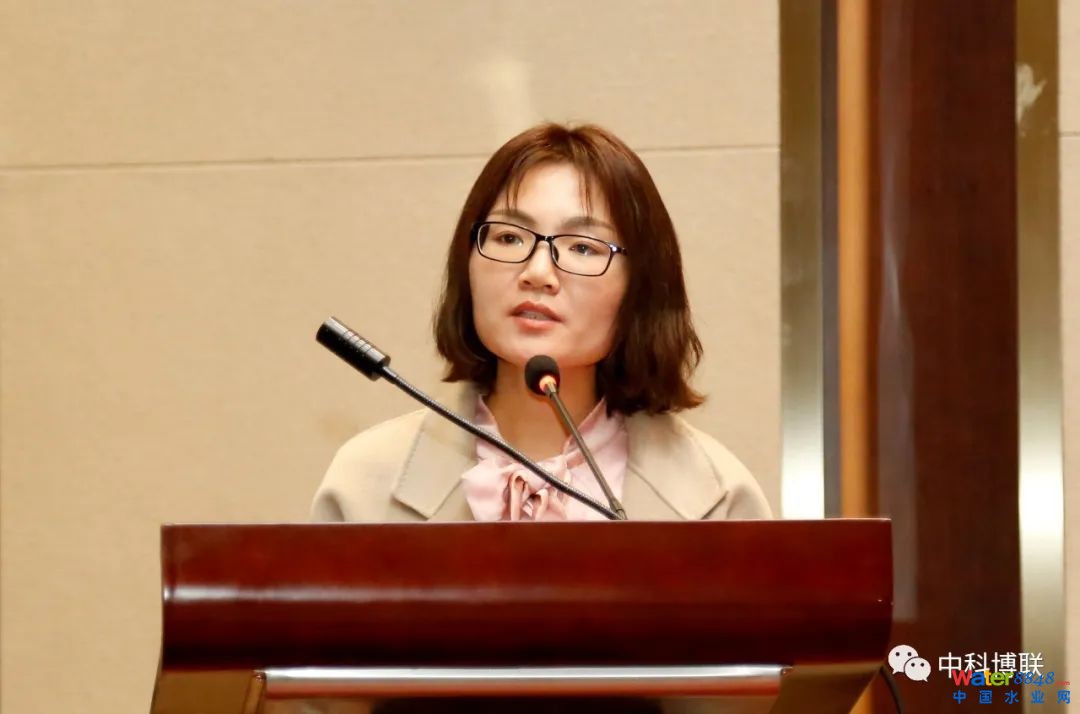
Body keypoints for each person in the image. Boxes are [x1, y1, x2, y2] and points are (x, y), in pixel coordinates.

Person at [311, 123, 771, 522]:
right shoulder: (365, 485)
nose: (537, 272)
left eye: (583, 247)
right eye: (509, 237)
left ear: (641, 286)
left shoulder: (721, 499)